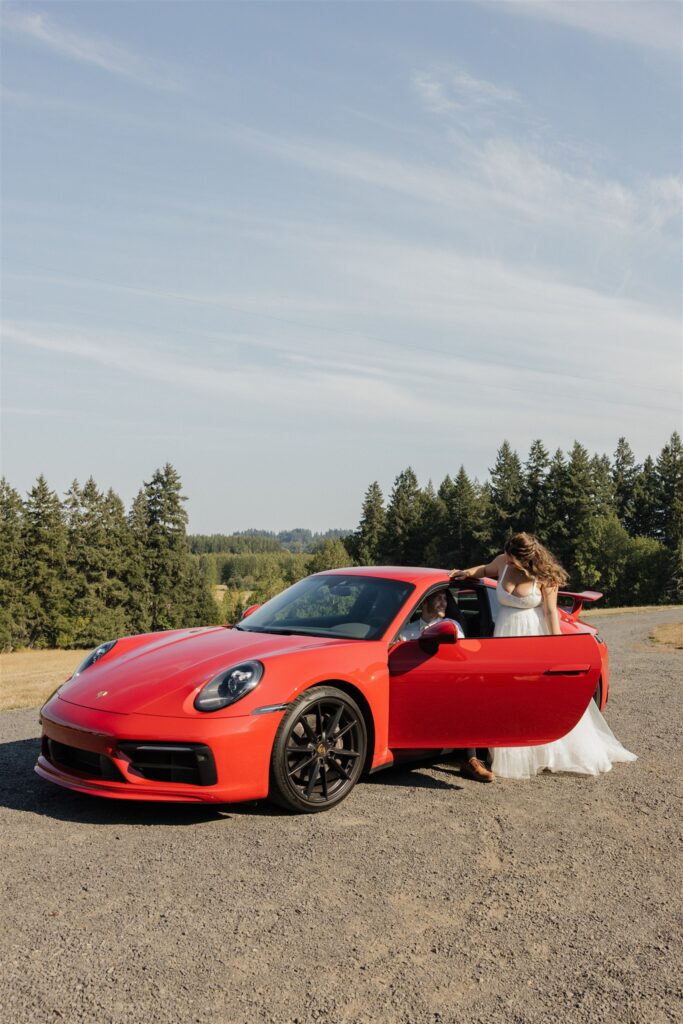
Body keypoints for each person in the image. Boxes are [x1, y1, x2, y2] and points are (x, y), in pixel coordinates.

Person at [450, 532, 637, 779]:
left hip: (531, 637)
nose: (507, 561)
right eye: (506, 555)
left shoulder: (545, 578)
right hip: (504, 635)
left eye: (512, 558)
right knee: (505, 694)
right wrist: (465, 572)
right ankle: (507, 751)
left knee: (531, 693)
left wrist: (556, 650)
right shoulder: (503, 563)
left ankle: (541, 750)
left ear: (526, 558)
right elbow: (485, 569)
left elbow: (550, 615)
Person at [399, 590, 495, 783]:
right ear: (424, 602)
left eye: (445, 599)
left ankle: (471, 759)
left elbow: (463, 659)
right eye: (439, 599)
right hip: (414, 686)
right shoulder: (406, 631)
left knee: (468, 696)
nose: (445, 603)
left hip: (447, 683)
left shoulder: (452, 626)